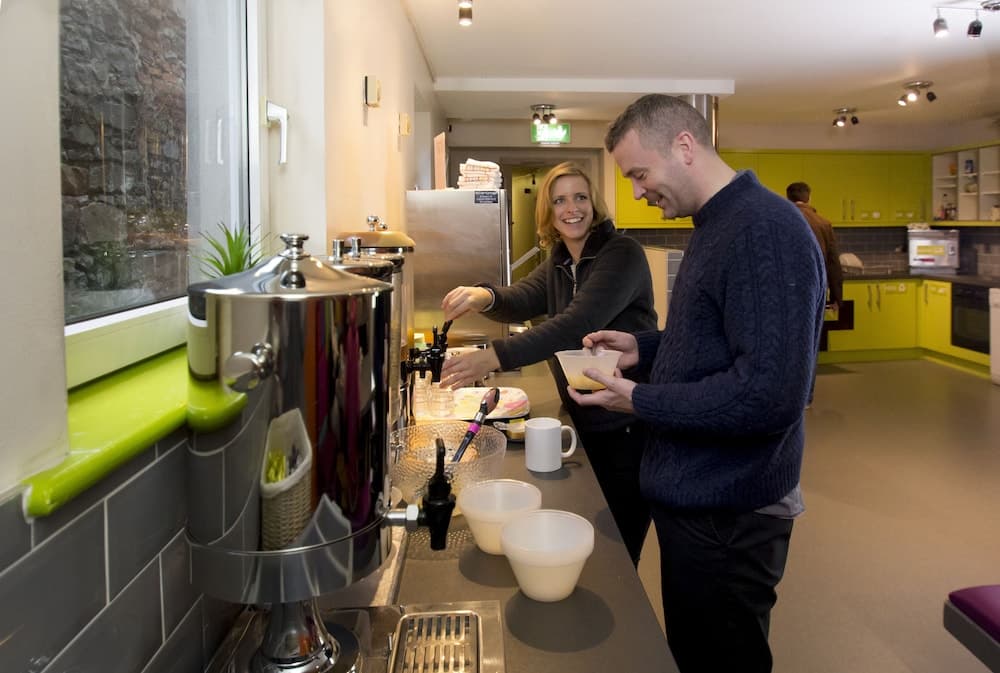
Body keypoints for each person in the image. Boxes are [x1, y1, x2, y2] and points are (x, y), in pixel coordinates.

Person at [568, 95, 826, 673]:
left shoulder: (764, 231)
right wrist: (643, 349)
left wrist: (640, 398)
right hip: (700, 503)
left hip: (729, 512)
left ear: (684, 147)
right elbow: (718, 340)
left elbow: (767, 393)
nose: (637, 192)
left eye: (639, 174)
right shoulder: (716, 225)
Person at [438, 161, 658, 566]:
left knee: (616, 551)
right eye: (559, 201)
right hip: (581, 414)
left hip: (624, 423)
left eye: (580, 197)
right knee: (581, 536)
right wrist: (485, 296)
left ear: (594, 203)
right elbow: (524, 297)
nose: (571, 208)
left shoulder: (621, 254)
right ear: (548, 212)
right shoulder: (560, 258)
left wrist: (493, 357)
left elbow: (575, 324)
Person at [786, 181, 843, 307]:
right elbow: (833, 262)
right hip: (816, 287)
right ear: (809, 198)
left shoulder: (780, 221)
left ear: (788, 198)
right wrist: (836, 297)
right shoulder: (824, 224)